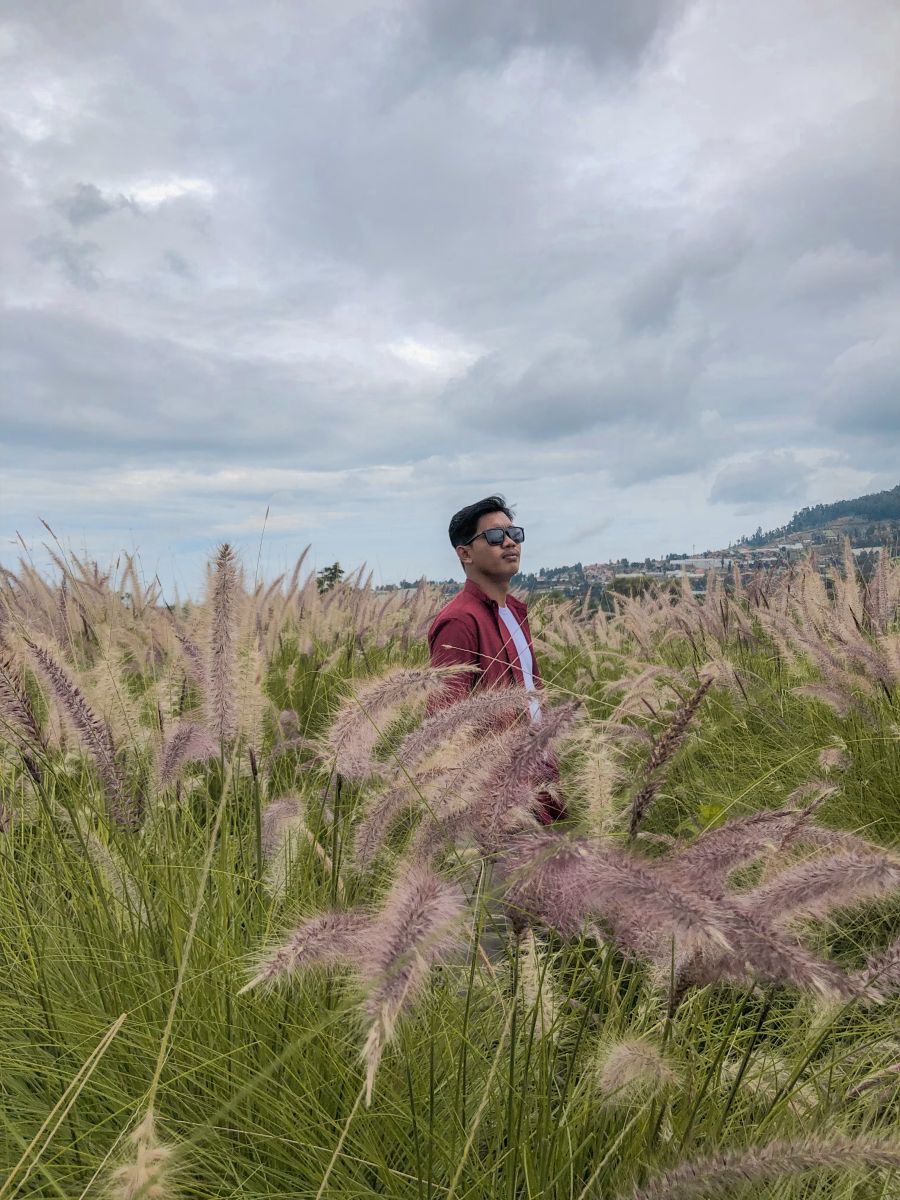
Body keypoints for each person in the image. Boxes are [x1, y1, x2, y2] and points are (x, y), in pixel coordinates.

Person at [427, 494, 565, 823]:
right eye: (493, 536)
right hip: (496, 798)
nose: (509, 542)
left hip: (537, 782)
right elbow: (444, 722)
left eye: (513, 533)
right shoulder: (460, 621)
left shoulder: (514, 613)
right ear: (465, 554)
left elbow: (532, 700)